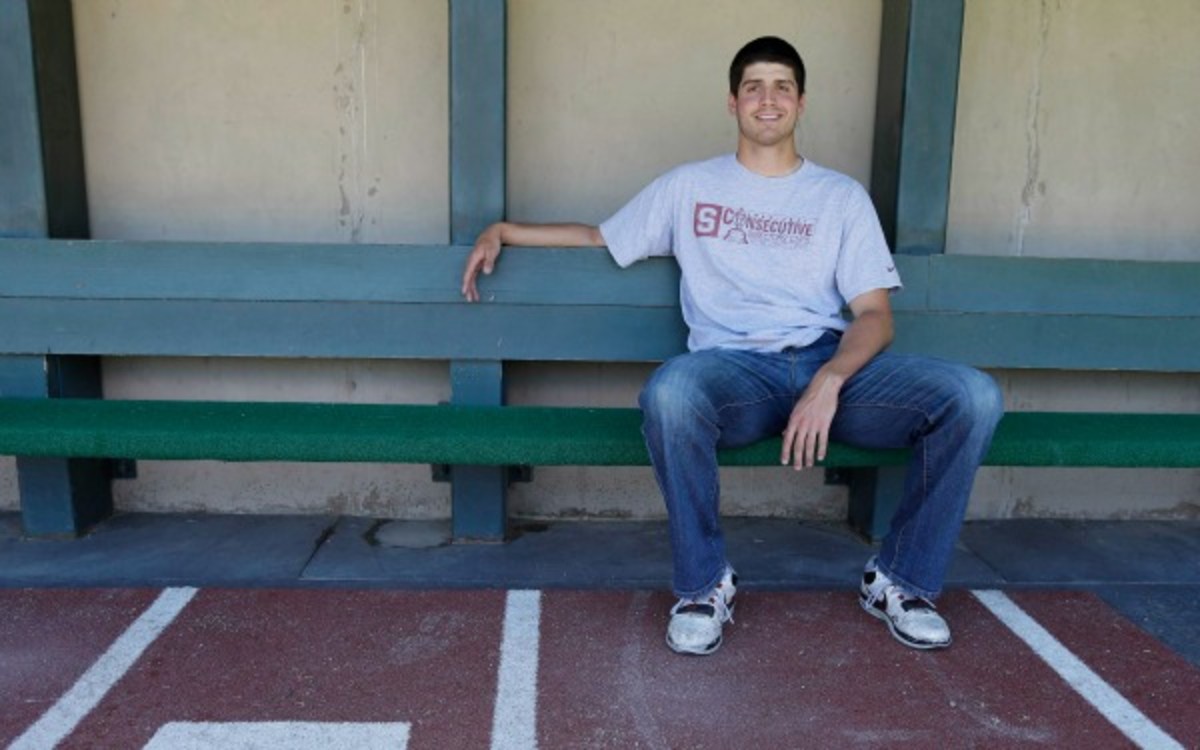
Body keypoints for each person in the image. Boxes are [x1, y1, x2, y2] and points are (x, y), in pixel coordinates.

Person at [461, 36, 1003, 655]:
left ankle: (901, 579)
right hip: (734, 375)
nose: (767, 99)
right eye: (754, 87)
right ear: (732, 102)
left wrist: (829, 381)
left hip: (832, 364)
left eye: (781, 87)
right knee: (670, 394)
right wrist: (504, 228)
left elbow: (876, 317)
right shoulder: (689, 187)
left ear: (801, 103)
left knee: (973, 397)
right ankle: (703, 584)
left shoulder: (840, 197)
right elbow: (598, 236)